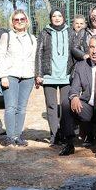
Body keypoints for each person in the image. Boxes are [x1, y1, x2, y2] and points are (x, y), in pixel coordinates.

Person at [58, 36, 96, 157]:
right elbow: (74, 87)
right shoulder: (81, 65)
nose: (94, 51)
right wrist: (75, 96)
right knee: (66, 102)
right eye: (92, 47)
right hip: (88, 107)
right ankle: (69, 143)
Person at [0, 9, 36, 147]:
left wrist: (36, 75)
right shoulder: (6, 36)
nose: (19, 22)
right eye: (16, 19)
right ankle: (10, 137)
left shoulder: (32, 39)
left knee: (22, 108)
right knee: (10, 107)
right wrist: (3, 76)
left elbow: (34, 59)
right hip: (10, 75)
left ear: (26, 21)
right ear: (12, 22)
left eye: (22, 19)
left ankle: (18, 136)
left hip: (28, 76)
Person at [35, 9, 76, 146]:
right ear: (50, 18)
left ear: (64, 17)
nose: (57, 18)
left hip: (66, 75)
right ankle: (55, 135)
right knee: (51, 106)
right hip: (49, 75)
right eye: (54, 16)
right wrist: (39, 74)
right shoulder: (44, 32)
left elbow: (75, 52)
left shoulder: (70, 32)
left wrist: (75, 73)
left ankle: (65, 134)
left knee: (65, 106)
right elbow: (39, 53)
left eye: (59, 16)